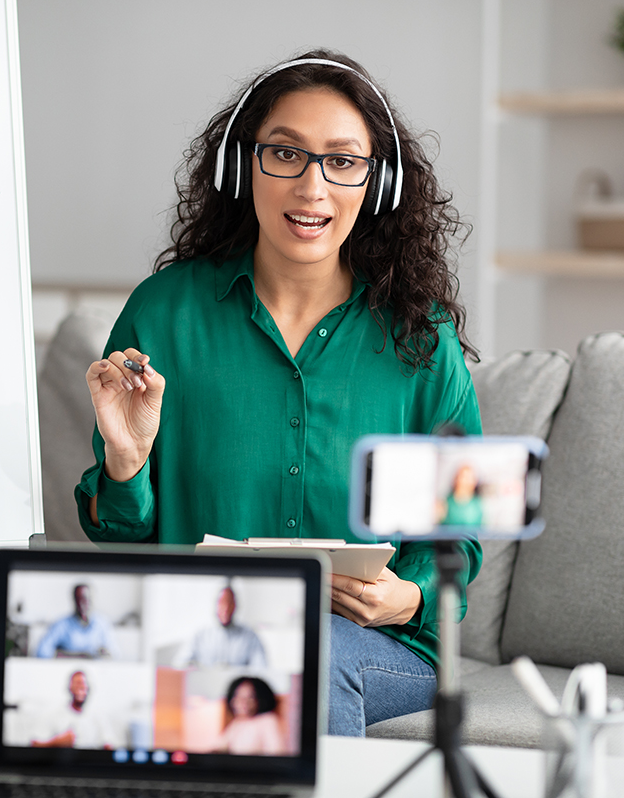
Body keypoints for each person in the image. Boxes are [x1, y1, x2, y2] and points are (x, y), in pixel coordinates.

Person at [74, 50, 482, 736]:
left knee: (305, 655)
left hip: (377, 647)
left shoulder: (420, 339)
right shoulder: (164, 315)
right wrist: (127, 461)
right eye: (285, 155)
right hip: (199, 637)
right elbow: (116, 532)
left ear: (376, 184)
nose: (312, 187)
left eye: (343, 161)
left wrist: (406, 595)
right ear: (244, 167)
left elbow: (459, 530)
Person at [173, 586, 268, 668]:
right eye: (222, 603)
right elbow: (180, 665)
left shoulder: (250, 636)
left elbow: (261, 668)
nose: (226, 609)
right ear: (216, 605)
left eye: (230, 604)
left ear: (235, 606)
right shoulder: (200, 635)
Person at [30, 670, 116, 749]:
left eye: (83, 684)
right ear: (70, 688)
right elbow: (34, 744)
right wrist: (57, 742)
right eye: (77, 684)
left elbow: (109, 744)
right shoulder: (54, 713)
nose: (81, 688)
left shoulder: (97, 716)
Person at [36, 583, 118, 659]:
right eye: (80, 598)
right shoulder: (61, 625)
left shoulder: (102, 623)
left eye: (88, 599)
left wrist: (105, 654)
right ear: (74, 600)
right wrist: (79, 656)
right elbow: (42, 652)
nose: (84, 603)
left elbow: (115, 654)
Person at [216, 676, 285, 755]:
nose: (243, 702)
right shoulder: (237, 723)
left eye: (250, 697)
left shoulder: (268, 720)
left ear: (260, 699)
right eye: (238, 696)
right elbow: (219, 748)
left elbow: (277, 755)